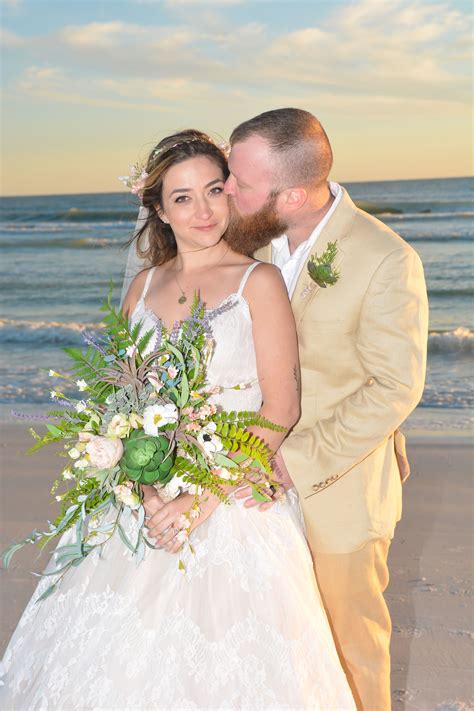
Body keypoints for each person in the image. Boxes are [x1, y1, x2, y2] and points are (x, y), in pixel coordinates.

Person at [0, 130, 356, 710]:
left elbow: (280, 407)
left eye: (215, 189)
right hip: (141, 502)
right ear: (160, 211)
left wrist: (200, 499)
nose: (204, 210)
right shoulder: (143, 287)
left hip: (232, 499)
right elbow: (124, 407)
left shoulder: (256, 282)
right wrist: (145, 489)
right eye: (183, 198)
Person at [220, 109, 429, 710]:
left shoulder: (385, 259)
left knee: (348, 645)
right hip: (245, 481)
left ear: (295, 194)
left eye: (241, 183)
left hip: (334, 488)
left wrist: (294, 461)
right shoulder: (252, 234)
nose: (227, 190)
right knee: (278, 644)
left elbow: (393, 387)